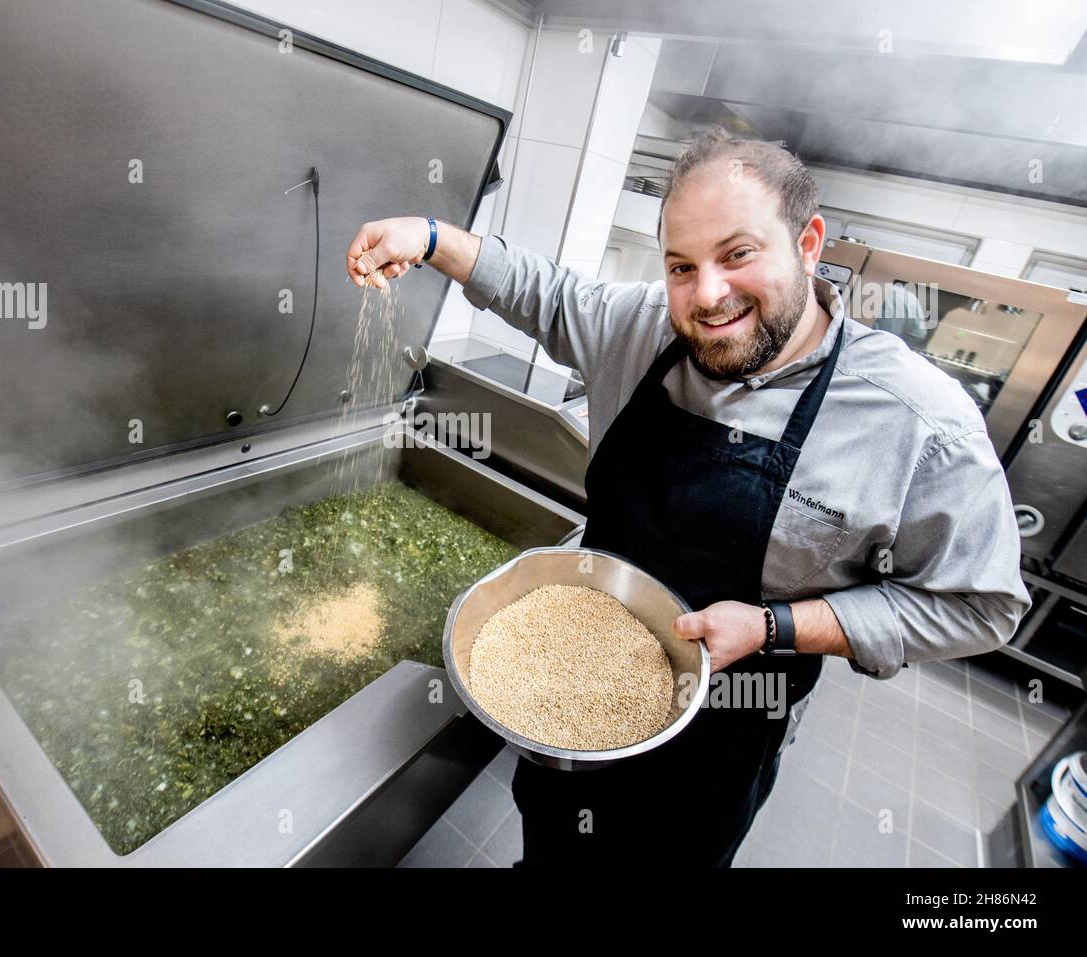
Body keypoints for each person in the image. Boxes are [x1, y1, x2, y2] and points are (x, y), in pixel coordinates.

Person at [344, 127, 1031, 867]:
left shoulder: (917, 421)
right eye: (681, 266)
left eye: (738, 254)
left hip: (727, 726)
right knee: (552, 843)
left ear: (808, 244)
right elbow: (541, 290)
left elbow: (983, 604)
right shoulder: (643, 328)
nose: (707, 296)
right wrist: (432, 235)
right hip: (574, 679)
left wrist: (779, 625)